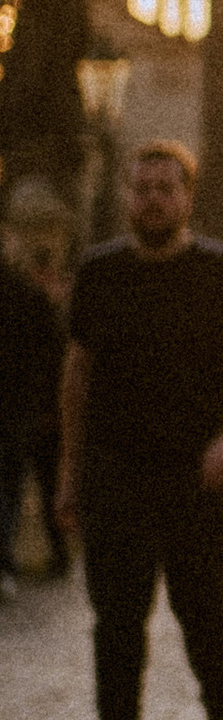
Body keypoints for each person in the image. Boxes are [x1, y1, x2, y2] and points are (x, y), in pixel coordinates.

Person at [56, 141, 223, 720]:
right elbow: (78, 379)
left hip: (199, 479)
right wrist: (69, 473)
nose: (153, 199)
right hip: (116, 478)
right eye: (142, 188)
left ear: (187, 197)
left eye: (166, 188)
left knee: (204, 616)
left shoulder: (219, 269)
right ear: (127, 197)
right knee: (116, 626)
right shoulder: (99, 272)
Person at [0, 235, 65, 595]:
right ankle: (13, 561)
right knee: (15, 484)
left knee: (12, 484)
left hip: (20, 405)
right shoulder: (33, 297)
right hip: (24, 406)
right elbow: (54, 355)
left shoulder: (29, 297)